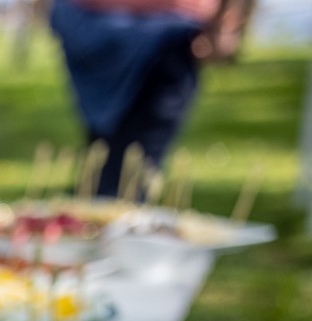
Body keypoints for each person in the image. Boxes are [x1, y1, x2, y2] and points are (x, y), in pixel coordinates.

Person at [49, 0, 252, 197]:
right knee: (104, 164)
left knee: (129, 175)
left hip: (168, 43)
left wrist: (221, 26)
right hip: (100, 43)